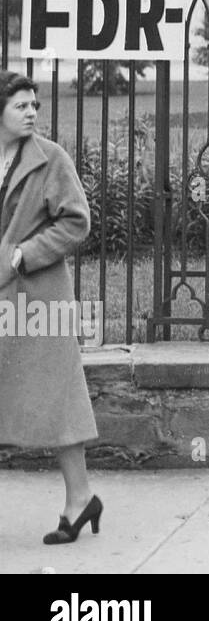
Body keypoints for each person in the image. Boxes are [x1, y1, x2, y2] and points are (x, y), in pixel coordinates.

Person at [0, 70, 102, 544]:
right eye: (21, 105)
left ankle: (80, 500)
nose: (31, 113)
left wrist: (23, 255)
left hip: (37, 301)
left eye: (34, 105)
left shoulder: (50, 159)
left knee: (58, 401)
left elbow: (77, 222)